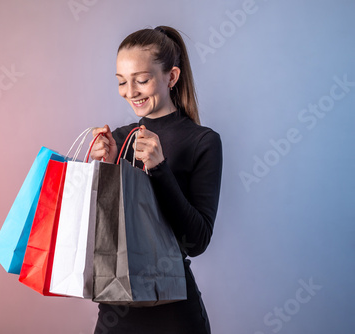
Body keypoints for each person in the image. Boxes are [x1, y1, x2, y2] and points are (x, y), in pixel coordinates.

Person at [89, 26, 223, 334]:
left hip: (173, 312)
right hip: (115, 307)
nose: (130, 91)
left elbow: (196, 242)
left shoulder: (203, 141)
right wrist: (106, 169)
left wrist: (160, 168)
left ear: (171, 77)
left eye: (142, 79)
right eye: (122, 82)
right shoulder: (120, 141)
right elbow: (105, 233)